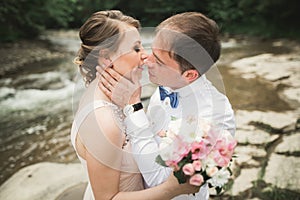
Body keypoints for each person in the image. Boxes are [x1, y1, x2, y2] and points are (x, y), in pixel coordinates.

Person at [98, 12, 236, 199]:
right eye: (152, 50)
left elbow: (161, 182)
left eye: (159, 60)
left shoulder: (210, 117)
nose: (147, 59)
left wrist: (134, 107)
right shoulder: (170, 82)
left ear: (189, 75)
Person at [71, 10, 200, 200]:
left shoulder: (117, 98)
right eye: (136, 48)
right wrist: (173, 189)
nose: (145, 56)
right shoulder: (104, 120)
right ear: (107, 58)